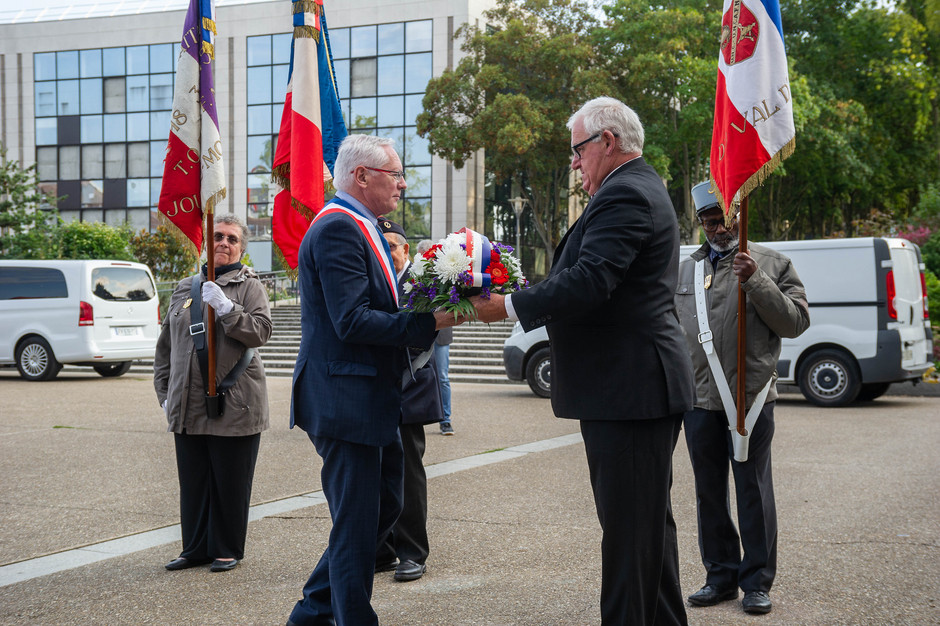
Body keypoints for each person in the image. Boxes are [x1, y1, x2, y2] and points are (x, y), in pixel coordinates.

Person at [471, 96, 695, 625]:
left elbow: (593, 280)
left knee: (629, 535)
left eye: (577, 150)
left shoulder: (627, 195)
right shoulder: (635, 188)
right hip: (633, 387)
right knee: (644, 532)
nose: (574, 163)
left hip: (631, 389)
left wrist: (510, 305)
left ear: (607, 142)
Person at [286, 135, 461, 626]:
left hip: (367, 398)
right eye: (395, 174)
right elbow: (353, 321)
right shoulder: (339, 228)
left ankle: (311, 612)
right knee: (359, 526)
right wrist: (433, 321)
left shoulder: (365, 226)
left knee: (382, 510)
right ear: (361, 177)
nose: (403, 184)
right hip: (346, 401)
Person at [676, 181, 810, 615]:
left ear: (739, 213)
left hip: (749, 401)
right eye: (709, 221)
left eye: (724, 217)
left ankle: (756, 581)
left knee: (752, 491)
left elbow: (795, 323)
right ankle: (720, 577)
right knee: (708, 493)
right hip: (699, 401)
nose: (718, 228)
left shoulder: (772, 262)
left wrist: (756, 281)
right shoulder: (687, 271)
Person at [154, 213, 272, 574]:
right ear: (207, 241)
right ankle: (195, 548)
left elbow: (261, 332)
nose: (223, 242)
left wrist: (226, 308)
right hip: (187, 404)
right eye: (217, 236)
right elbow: (166, 348)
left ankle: (226, 548)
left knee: (230, 481)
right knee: (194, 482)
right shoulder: (185, 287)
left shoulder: (250, 286)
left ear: (241, 248)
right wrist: (164, 393)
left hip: (234, 401)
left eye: (232, 239)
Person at [374, 219, 444, 582]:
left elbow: (436, 332)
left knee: (407, 475)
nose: (387, 251)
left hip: (408, 386)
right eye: (380, 244)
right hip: (373, 388)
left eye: (392, 245)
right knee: (374, 473)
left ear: (405, 249)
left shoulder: (420, 285)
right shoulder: (373, 279)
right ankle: (381, 549)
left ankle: (412, 551)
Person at [417, 239, 455, 436]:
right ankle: (418, 417)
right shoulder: (413, 275)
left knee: (442, 377)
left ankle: (446, 420)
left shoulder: (446, 273)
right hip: (418, 332)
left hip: (441, 334)